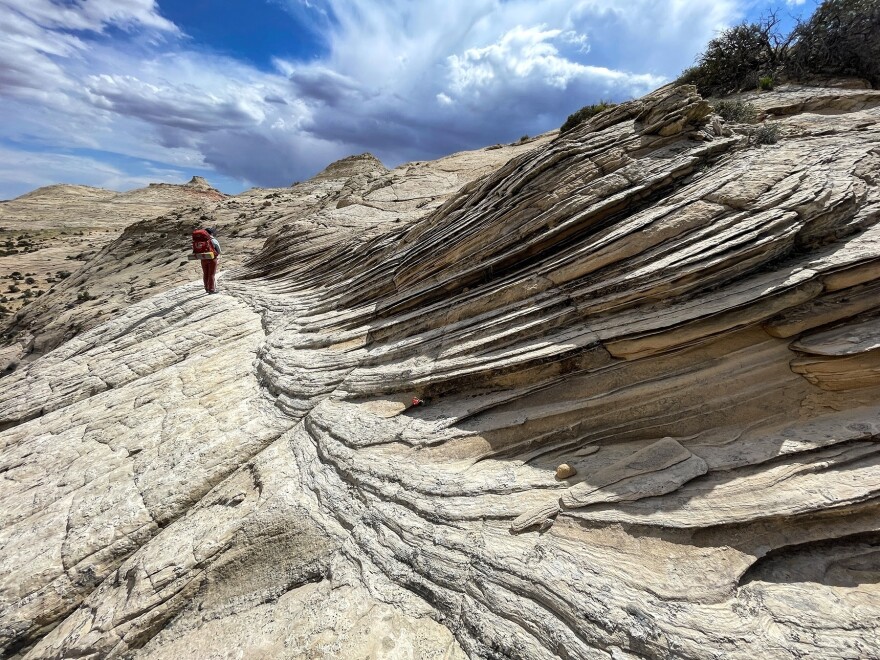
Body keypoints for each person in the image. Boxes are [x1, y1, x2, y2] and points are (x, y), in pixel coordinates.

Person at [201, 227, 221, 294]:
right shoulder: (213, 240)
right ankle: (212, 289)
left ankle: (206, 288)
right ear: (211, 233)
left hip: (203, 259)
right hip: (212, 259)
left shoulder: (201, 240)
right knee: (211, 274)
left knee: (205, 274)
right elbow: (219, 251)